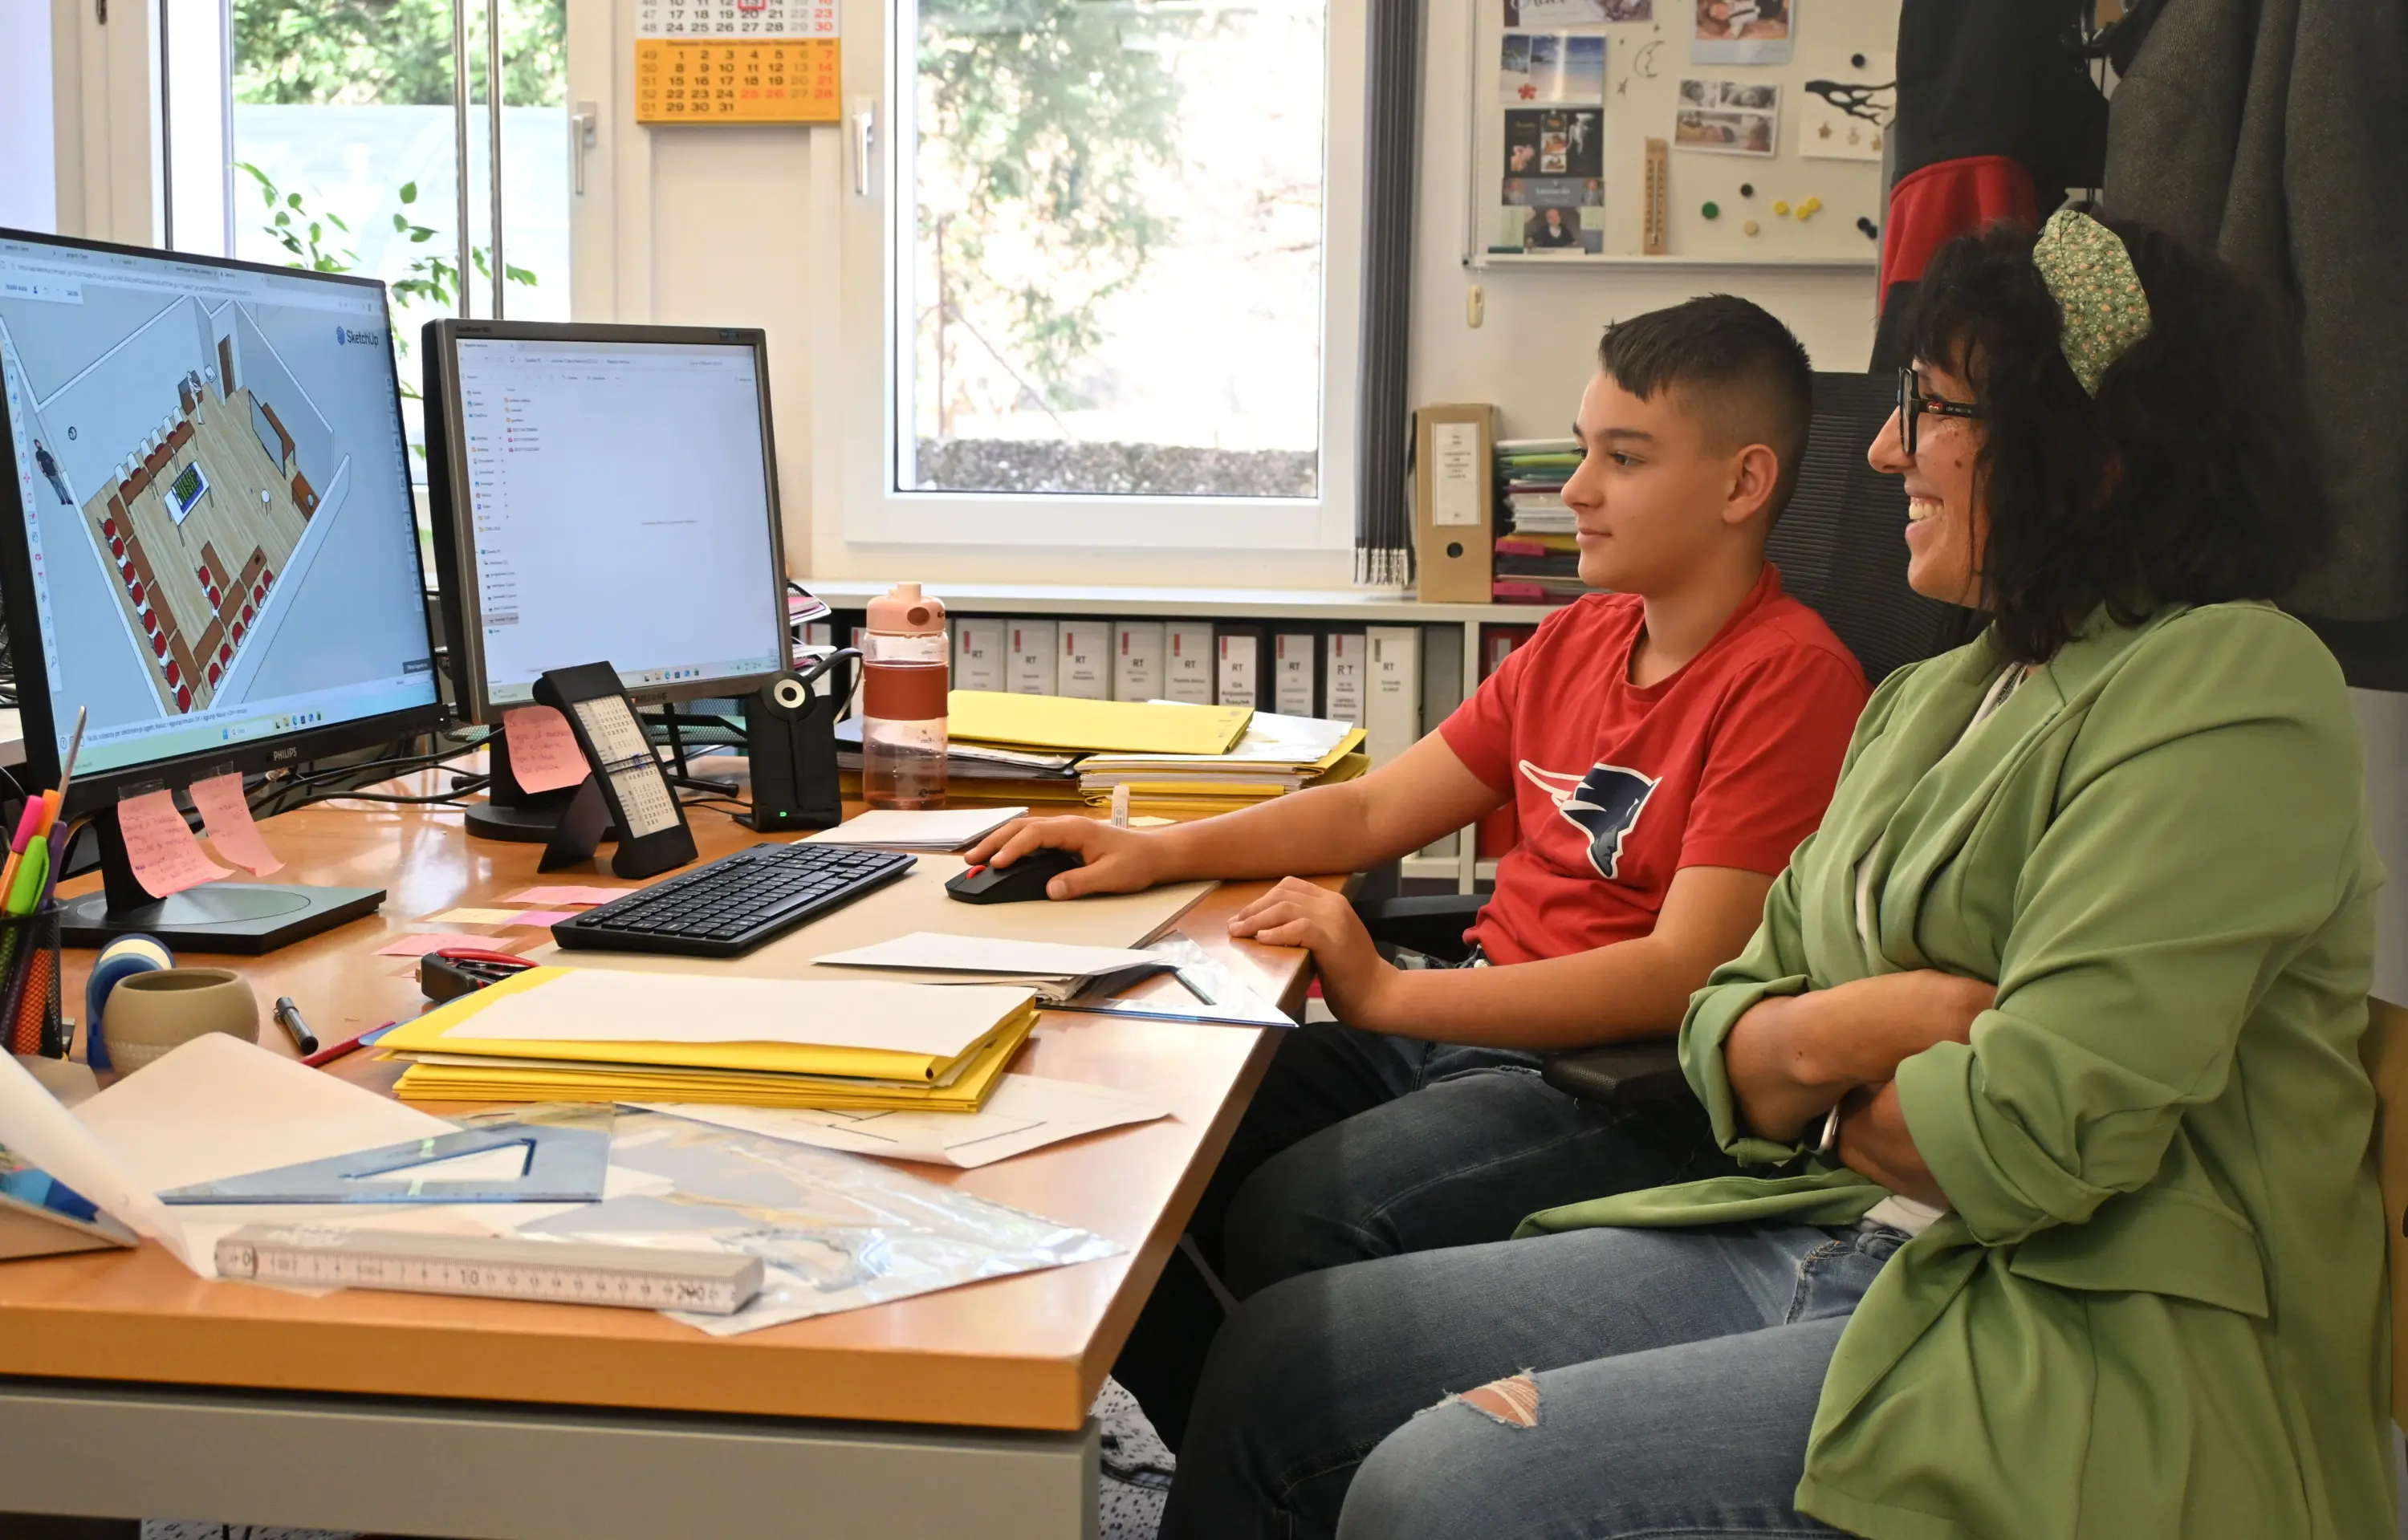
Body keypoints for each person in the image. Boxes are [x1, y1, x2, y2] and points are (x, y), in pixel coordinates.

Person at [1159, 209, 2390, 1540]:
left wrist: (1801, 1061)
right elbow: (1723, 1024)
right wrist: (1889, 1023)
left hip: (2063, 1318)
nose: (1882, 450)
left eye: (1930, 407)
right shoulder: (1933, 694)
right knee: (1281, 1360)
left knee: (1438, 1484)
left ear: (2091, 453)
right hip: (1834, 1221)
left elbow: (2024, 1140)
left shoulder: (2235, 685)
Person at [967, 295, 1870, 1444]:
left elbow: (1684, 970)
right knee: (1115, 1130)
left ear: (1744, 484)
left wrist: (1390, 990)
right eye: (1584, 447)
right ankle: (1269, 1470)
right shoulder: (1582, 636)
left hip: (1612, 1079)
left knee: (1301, 1213)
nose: (1576, 487)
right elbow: (1378, 808)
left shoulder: (1789, 681)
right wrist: (1154, 849)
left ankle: (1293, 1464)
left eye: (1623, 458)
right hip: (1467, 1018)